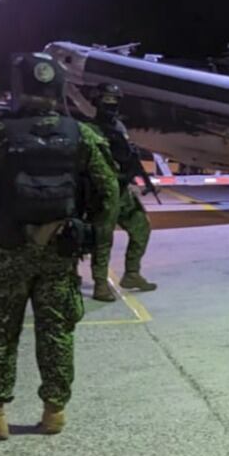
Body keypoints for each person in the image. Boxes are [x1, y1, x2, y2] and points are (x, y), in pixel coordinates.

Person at [0, 53, 119, 440]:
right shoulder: (83, 135)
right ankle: (54, 412)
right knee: (56, 329)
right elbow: (108, 194)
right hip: (60, 248)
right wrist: (91, 237)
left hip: (5, 248)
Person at [84, 82, 156, 301]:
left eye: (115, 102)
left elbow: (128, 155)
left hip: (122, 189)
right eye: (107, 101)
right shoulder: (89, 130)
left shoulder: (118, 127)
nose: (112, 106)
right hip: (104, 191)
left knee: (141, 227)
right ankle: (100, 284)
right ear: (97, 102)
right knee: (103, 239)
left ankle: (132, 273)